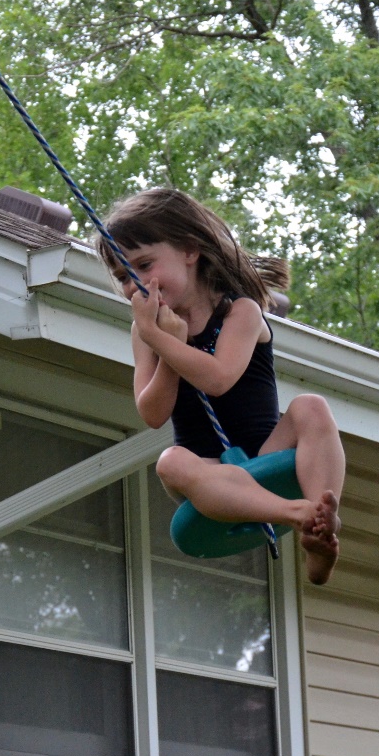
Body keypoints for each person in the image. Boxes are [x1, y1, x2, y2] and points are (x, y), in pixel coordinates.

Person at [97, 188, 345, 585]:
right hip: (209, 472)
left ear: (190, 251)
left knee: (311, 407)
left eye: (144, 265)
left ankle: (319, 526)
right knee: (170, 461)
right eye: (124, 277)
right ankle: (297, 514)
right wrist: (163, 342)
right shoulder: (146, 333)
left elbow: (218, 377)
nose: (135, 286)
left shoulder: (240, 311)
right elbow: (152, 414)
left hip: (265, 452)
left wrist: (163, 340)